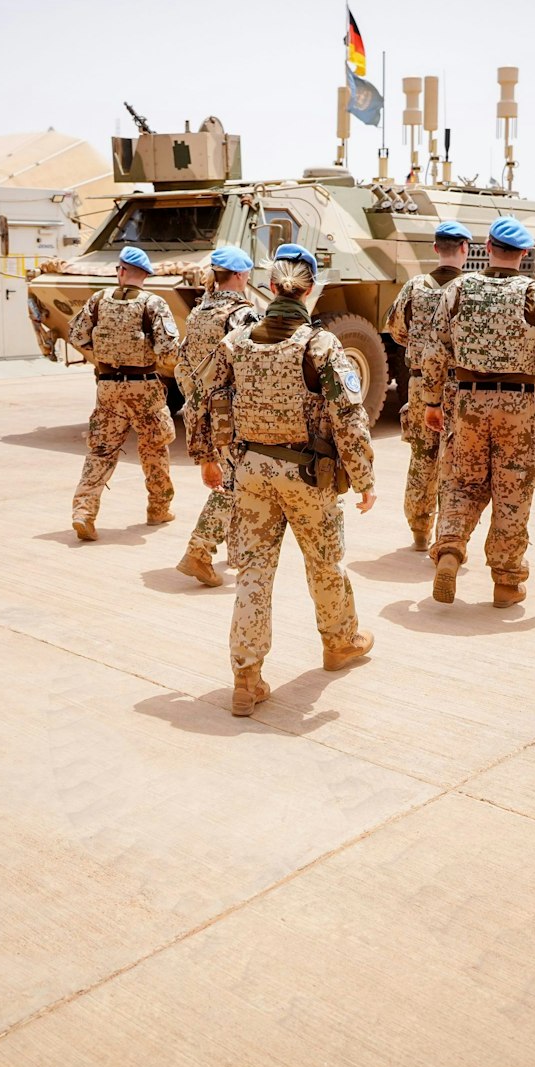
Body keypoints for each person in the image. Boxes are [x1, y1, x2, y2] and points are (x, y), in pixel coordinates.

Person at [188, 244, 377, 717]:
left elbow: (199, 397)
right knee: (324, 564)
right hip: (308, 476)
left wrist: (205, 456)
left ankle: (245, 678)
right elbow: (350, 417)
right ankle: (340, 642)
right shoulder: (321, 345)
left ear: (270, 286)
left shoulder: (237, 341)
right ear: (310, 289)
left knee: (253, 573)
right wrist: (365, 477)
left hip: (250, 472)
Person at [427, 216, 535, 608]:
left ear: (486, 247)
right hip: (517, 404)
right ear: (525, 254)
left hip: (467, 401)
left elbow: (434, 351)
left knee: (464, 481)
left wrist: (431, 401)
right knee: (513, 489)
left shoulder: (458, 291)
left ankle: (449, 547)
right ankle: (507, 581)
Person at [67, 245, 182, 539]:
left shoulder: (97, 300)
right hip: (144, 386)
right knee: (154, 447)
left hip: (107, 387)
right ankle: (158, 508)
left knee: (101, 449)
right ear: (145, 275)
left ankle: (84, 511)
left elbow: (77, 335)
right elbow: (168, 351)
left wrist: (103, 356)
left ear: (120, 271)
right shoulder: (154, 303)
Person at [175, 245, 263, 587]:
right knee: (234, 481)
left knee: (233, 477)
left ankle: (238, 552)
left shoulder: (198, 312)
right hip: (232, 411)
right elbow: (251, 364)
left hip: (202, 406)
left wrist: (197, 401)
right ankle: (199, 550)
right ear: (240, 276)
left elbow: (184, 363)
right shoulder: (241, 314)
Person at [385, 220, 471, 550]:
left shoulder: (415, 287)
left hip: (422, 385)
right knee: (459, 461)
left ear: (436, 249)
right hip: (462, 388)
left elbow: (396, 329)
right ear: (465, 249)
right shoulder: (472, 289)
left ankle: (420, 529)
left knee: (423, 456)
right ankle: (450, 536)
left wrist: (420, 348)